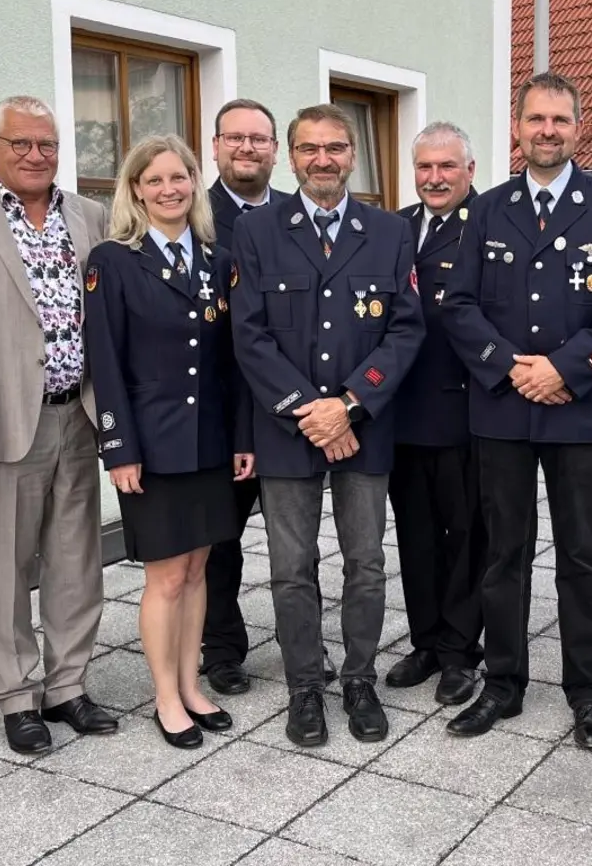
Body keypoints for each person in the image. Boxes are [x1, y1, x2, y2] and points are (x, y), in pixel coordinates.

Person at [440, 71, 592, 751]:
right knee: (505, 553)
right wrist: (512, 367)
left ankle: (588, 690)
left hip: (581, 410)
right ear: (518, 127)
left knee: (581, 554)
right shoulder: (487, 208)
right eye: (536, 119)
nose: (547, 131)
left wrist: (564, 369)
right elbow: (459, 305)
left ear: (577, 128)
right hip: (503, 408)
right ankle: (503, 683)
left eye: (560, 120)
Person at [230, 104, 426, 746]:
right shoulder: (257, 231)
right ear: (292, 157)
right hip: (287, 431)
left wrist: (349, 404)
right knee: (292, 566)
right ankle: (305, 687)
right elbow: (249, 335)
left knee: (366, 563)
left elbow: (405, 330)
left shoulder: (389, 232)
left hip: (363, 427)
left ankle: (360, 679)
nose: (323, 160)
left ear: (353, 155)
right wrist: (310, 410)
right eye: (310, 149)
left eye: (336, 148)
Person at [0, 96, 116, 755]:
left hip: (80, 411)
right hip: (6, 418)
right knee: (8, 564)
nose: (36, 155)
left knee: (76, 558)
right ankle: (16, 694)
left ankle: (67, 686)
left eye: (47, 144)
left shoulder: (91, 216)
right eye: (21, 144)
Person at [84, 134, 253, 748]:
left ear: (193, 183)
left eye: (178, 177)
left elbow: (233, 362)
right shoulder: (112, 262)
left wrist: (242, 437)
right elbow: (104, 362)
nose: (169, 189)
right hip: (151, 446)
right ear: (135, 190)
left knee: (198, 567)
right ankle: (165, 697)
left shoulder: (218, 259)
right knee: (165, 577)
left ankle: (190, 684)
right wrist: (118, 448)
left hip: (209, 442)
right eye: (154, 180)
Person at [200, 99, 334, 695]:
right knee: (220, 540)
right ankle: (222, 648)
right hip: (221, 407)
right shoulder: (191, 213)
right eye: (235, 138)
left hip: (289, 407)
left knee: (299, 544)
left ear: (277, 151)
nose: (247, 148)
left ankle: (304, 643)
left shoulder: (297, 214)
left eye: (258, 139)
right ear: (215, 147)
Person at [385, 121, 484, 706]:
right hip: (400, 412)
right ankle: (426, 640)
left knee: (466, 535)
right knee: (416, 535)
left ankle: (459, 650)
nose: (435, 177)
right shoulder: (395, 227)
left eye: (447, 166)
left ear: (470, 170)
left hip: (463, 409)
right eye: (425, 166)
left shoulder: (488, 224)